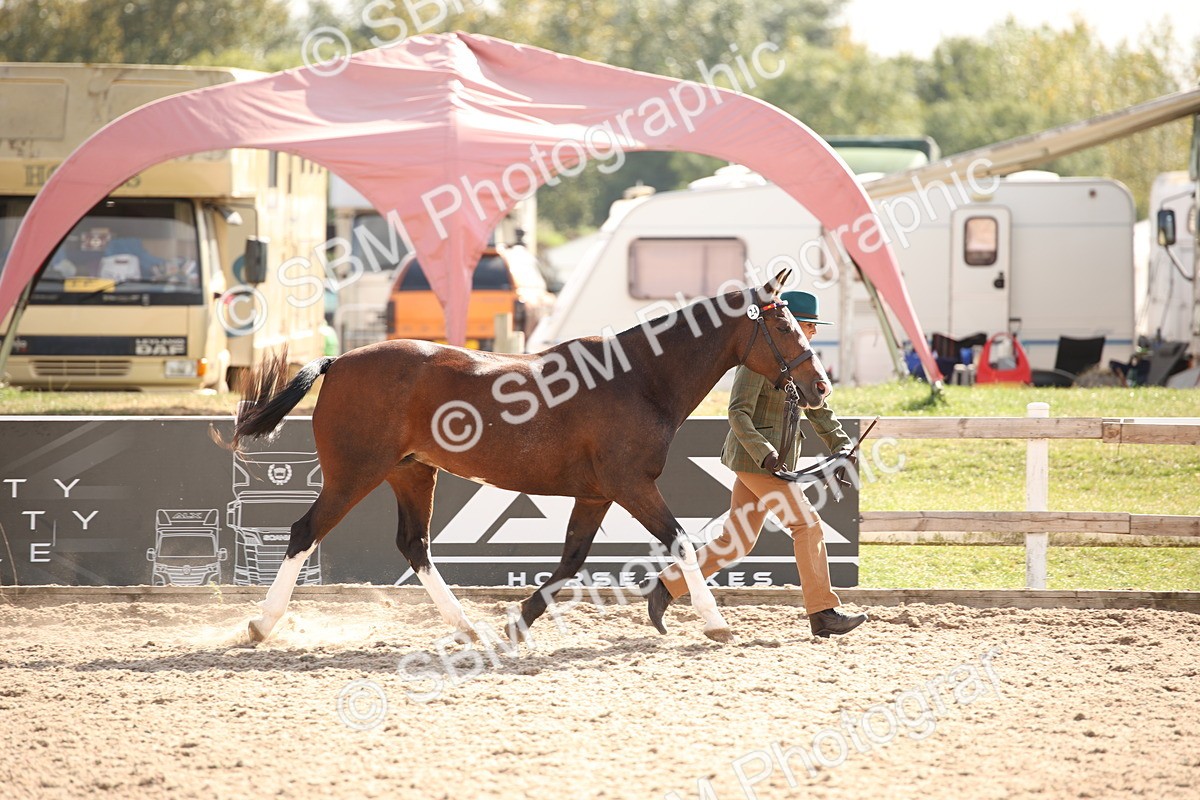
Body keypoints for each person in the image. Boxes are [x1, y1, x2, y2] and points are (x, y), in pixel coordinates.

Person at [646, 290, 868, 638]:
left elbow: (820, 410)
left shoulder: (802, 363)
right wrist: (764, 451)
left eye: (811, 328)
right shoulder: (760, 360)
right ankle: (823, 612)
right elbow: (738, 412)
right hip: (758, 461)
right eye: (807, 326)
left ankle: (666, 585)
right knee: (807, 526)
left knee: (736, 542)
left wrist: (843, 445)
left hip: (771, 464)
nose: (810, 334)